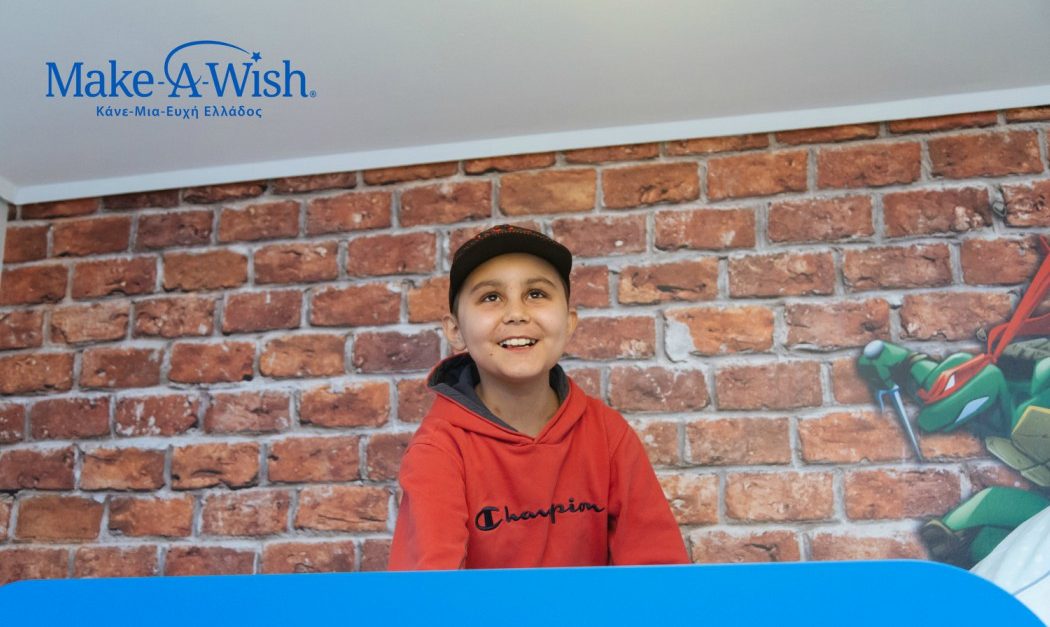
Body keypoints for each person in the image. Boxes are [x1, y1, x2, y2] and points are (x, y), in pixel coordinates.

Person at [388, 224, 689, 569]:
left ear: (569, 322)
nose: (517, 314)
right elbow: (431, 589)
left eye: (536, 294)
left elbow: (658, 571)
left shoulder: (608, 435)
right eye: (491, 297)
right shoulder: (439, 450)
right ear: (455, 330)